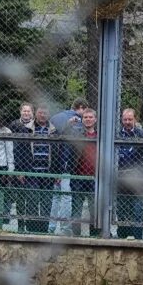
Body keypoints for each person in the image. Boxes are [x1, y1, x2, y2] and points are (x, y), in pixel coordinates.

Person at [115, 107, 143, 240]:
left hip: (138, 181)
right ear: (121, 119)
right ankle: (122, 236)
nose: (127, 122)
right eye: (125, 119)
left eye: (130, 119)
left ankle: (138, 239)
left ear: (135, 119)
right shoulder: (116, 134)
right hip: (120, 181)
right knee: (121, 209)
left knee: (137, 210)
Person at [48, 98, 87, 235]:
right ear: (81, 107)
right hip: (66, 164)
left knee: (57, 196)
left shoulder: (56, 117)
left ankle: (51, 226)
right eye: (84, 111)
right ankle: (65, 227)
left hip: (56, 163)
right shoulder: (77, 120)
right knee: (66, 196)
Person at [69, 108, 100, 237]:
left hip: (95, 178)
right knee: (76, 207)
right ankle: (76, 236)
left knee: (94, 209)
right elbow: (62, 134)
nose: (88, 119)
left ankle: (94, 236)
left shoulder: (100, 136)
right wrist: (69, 124)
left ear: (95, 119)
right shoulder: (77, 133)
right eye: (85, 117)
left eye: (90, 117)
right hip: (79, 176)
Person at [25, 106, 56, 234]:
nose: (42, 115)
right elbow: (20, 150)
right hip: (31, 171)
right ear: (36, 114)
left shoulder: (53, 130)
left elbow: (57, 153)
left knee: (46, 201)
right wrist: (22, 170)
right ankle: (32, 227)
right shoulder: (27, 129)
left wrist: (57, 172)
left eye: (45, 113)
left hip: (48, 171)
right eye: (40, 112)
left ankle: (43, 228)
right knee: (32, 199)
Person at [9, 103, 36, 233]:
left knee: (31, 197)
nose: (26, 113)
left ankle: (32, 225)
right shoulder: (14, 125)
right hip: (16, 163)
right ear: (20, 112)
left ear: (32, 112)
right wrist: (19, 170)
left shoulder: (35, 126)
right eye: (24, 111)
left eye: (28, 111)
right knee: (19, 198)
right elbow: (15, 148)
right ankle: (20, 224)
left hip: (32, 166)